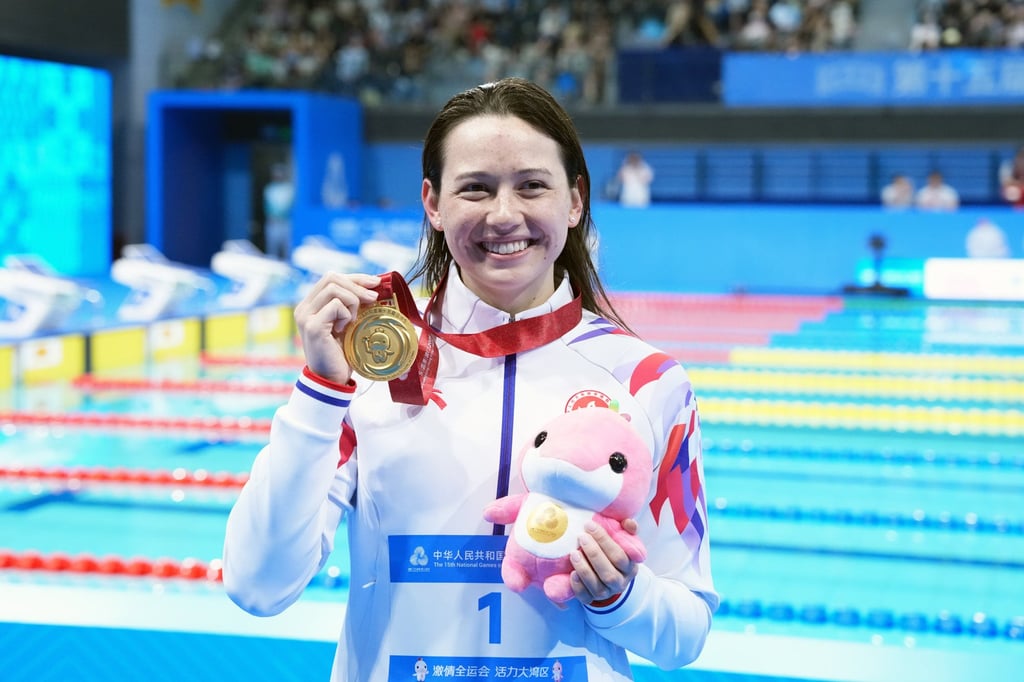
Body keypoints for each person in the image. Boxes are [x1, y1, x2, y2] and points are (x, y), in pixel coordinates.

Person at [223, 77, 717, 681]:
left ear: (575, 201)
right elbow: (258, 585)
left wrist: (620, 595)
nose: (504, 215)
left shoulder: (647, 380)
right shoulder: (366, 370)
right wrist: (320, 393)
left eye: (532, 186)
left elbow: (687, 630)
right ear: (433, 203)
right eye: (475, 189)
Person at [263, 162, 295, 259]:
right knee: (272, 250)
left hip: (286, 223)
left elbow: (291, 206)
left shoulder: (289, 189)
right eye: (276, 173)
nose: (278, 176)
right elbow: (267, 206)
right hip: (273, 223)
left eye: (280, 173)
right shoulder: (269, 189)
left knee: (287, 249)